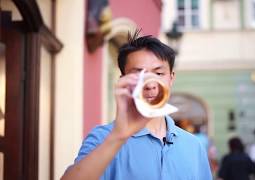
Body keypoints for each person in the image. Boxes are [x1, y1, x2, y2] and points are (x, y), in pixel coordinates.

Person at [61, 31, 212, 180]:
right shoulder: (103, 138)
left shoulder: (193, 146)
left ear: (171, 78)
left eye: (159, 74)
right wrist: (118, 136)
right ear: (124, 80)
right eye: (139, 75)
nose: (151, 84)